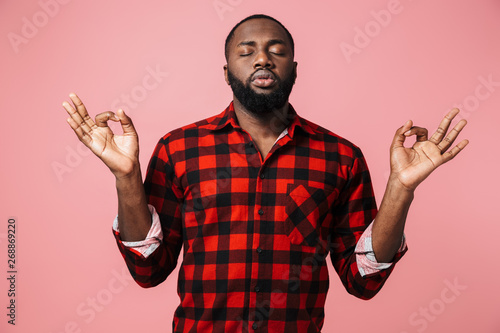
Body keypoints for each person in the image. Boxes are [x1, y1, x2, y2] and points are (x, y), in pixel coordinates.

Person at [63, 14, 468, 333]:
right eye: (247, 51)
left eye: (277, 50)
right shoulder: (178, 149)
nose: (262, 59)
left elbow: (364, 281)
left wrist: (400, 188)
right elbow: (148, 271)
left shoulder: (340, 156)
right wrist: (127, 178)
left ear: (294, 68)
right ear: (226, 72)